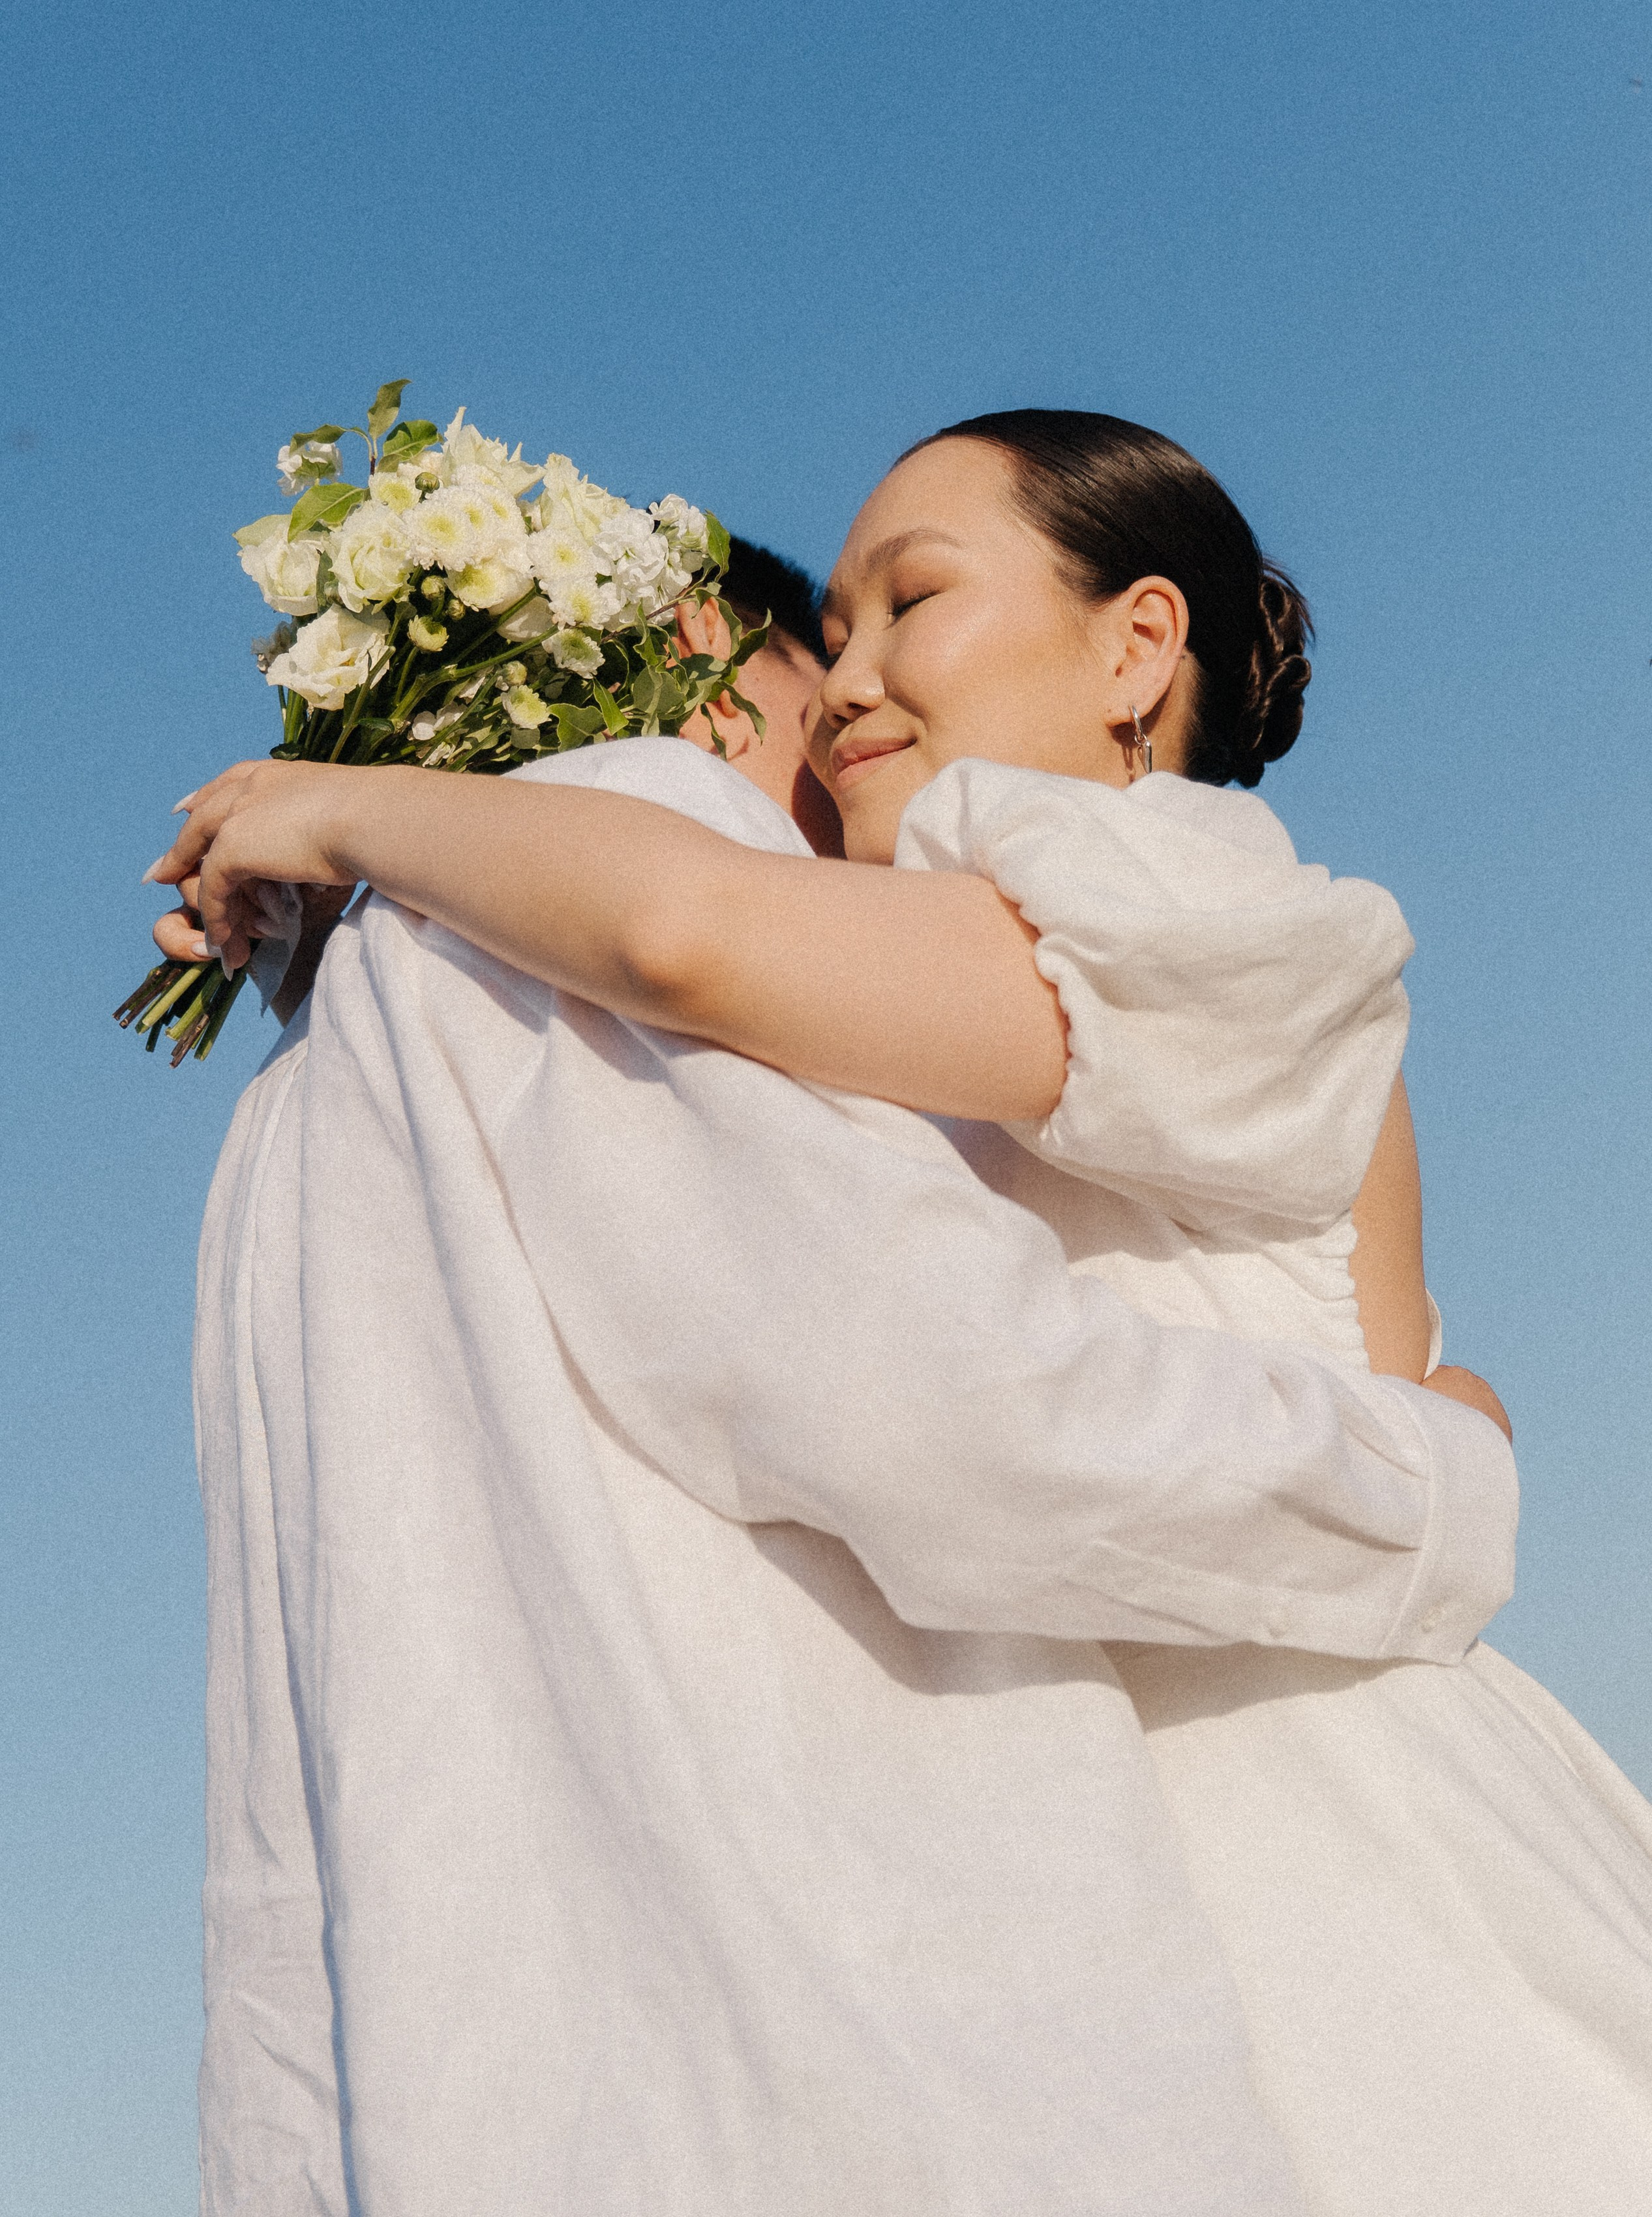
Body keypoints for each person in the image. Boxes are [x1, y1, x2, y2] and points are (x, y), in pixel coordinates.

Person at [155, 468, 1524, 2216]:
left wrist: (351, 817)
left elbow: (687, 935)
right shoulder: (607, 908)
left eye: (913, 605)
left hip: (1315, 1855)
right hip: (1194, 1839)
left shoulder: (1162, 902)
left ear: (1137, 648)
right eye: (837, 632)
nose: (850, 697)